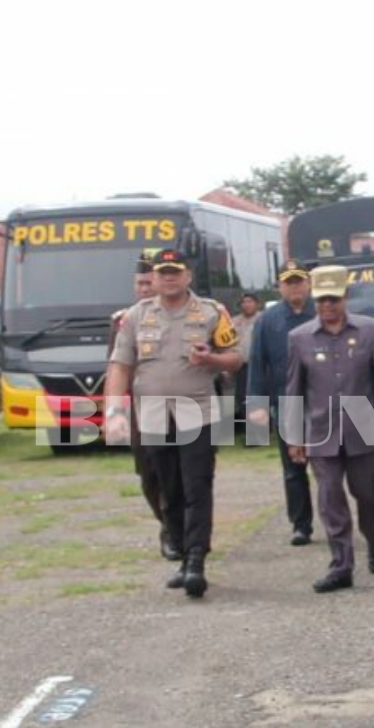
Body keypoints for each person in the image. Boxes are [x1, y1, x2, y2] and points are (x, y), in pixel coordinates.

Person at [105, 248, 244, 599]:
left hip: (196, 411)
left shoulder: (211, 313)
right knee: (167, 487)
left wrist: (210, 358)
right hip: (152, 413)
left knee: (197, 486)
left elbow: (236, 359)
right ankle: (182, 552)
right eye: (162, 272)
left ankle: (197, 560)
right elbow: (120, 365)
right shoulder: (135, 317)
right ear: (153, 277)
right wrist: (114, 411)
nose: (168, 278)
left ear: (187, 276)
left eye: (174, 272)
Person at [282, 265, 374, 593]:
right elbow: (293, 389)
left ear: (346, 298)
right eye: (321, 300)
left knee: (368, 497)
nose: (327, 306)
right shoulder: (299, 338)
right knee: (330, 498)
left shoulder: (369, 330)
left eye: (333, 299)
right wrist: (294, 436)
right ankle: (341, 565)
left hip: (363, 429)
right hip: (321, 431)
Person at [109, 255, 177, 560]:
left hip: (181, 404)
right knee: (148, 474)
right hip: (141, 408)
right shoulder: (124, 320)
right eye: (140, 283)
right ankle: (167, 524)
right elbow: (115, 366)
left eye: (150, 282)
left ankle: (180, 530)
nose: (145, 288)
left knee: (184, 472)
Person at [247, 261, 318, 546]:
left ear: (309, 283)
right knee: (293, 468)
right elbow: (257, 362)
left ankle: (336, 519)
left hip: (322, 401)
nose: (295, 287)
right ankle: (301, 525)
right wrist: (257, 403)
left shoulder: (323, 311)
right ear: (280, 286)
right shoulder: (268, 320)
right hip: (287, 401)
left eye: (299, 281)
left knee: (328, 466)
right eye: (289, 282)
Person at [229, 292, 261, 419]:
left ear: (256, 304)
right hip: (241, 366)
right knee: (242, 394)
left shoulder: (264, 319)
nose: (247, 305)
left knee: (259, 395)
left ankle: (264, 424)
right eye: (244, 302)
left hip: (260, 365)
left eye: (250, 302)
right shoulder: (234, 321)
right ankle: (245, 423)